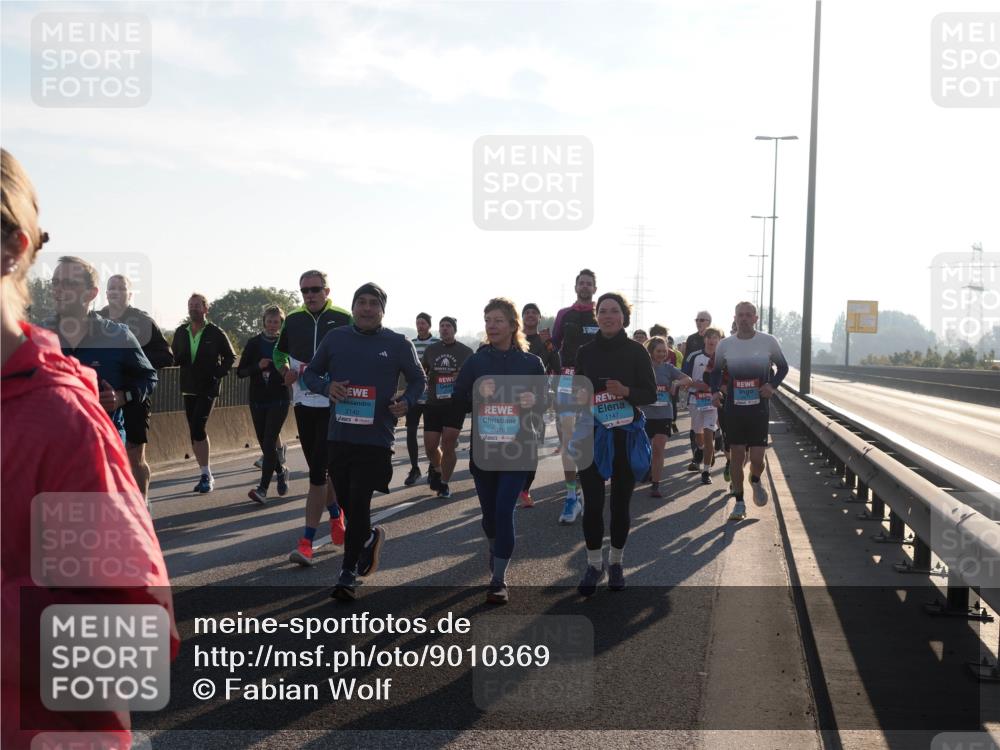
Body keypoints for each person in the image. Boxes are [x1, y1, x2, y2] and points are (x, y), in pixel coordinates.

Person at [1, 147, 178, 749]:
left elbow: (132, 644)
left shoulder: (63, 418)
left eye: (80, 283)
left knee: (136, 470)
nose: (70, 290)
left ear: (13, 248)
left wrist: (123, 396)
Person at [302, 283, 425, 600]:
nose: (367, 308)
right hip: (340, 436)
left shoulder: (397, 343)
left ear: (383, 310)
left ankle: (346, 573)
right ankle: (368, 537)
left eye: (374, 303)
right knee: (346, 502)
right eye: (362, 303)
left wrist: (407, 401)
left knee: (359, 501)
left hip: (376, 438)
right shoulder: (336, 338)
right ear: (353, 307)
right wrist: (327, 388)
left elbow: (418, 379)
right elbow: (311, 374)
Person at [454, 298, 546, 604]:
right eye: (487, 320)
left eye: (498, 320)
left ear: (513, 325)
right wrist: (477, 396)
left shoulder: (531, 363)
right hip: (485, 450)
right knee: (489, 516)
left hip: (519, 449)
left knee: (505, 510)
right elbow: (458, 397)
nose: (492, 326)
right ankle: (495, 547)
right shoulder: (477, 362)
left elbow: (545, 403)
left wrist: (535, 403)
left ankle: (498, 579)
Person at [573, 292, 656, 596]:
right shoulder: (585, 352)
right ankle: (594, 564)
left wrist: (625, 391)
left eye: (614, 311)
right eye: (603, 311)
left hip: (625, 436)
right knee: (593, 505)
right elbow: (575, 392)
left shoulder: (637, 352)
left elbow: (650, 393)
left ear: (624, 316)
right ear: (596, 316)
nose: (608, 316)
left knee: (620, 504)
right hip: (592, 434)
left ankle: (617, 562)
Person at [272, 270, 352, 564]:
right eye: (304, 290)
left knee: (318, 474)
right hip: (304, 403)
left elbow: (359, 351)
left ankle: (306, 541)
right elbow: (278, 353)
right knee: (319, 469)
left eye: (316, 289)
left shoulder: (345, 318)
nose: (310, 295)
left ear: (327, 291)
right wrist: (284, 372)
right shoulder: (293, 319)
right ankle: (335, 513)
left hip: (333, 405)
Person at [45, 257, 158, 447]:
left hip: (104, 448)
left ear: (91, 293)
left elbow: (149, 377)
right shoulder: (37, 336)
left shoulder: (119, 336)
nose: (58, 289)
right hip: (53, 450)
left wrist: (123, 397)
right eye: (55, 282)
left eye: (69, 283)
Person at [711, 302, 789, 521]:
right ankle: (739, 502)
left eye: (748, 315)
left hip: (759, 408)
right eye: (740, 315)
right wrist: (715, 391)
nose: (743, 319)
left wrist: (771, 385)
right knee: (736, 455)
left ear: (756, 318)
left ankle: (755, 480)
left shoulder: (768, 341)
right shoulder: (725, 345)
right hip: (734, 408)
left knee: (756, 459)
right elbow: (716, 372)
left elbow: (783, 368)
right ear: (734, 318)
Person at [99, 273, 173, 501]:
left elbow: (167, 355)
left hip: (135, 394)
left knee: (134, 455)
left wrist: (134, 358)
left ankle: (141, 505)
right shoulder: (97, 319)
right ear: (106, 292)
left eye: (121, 289)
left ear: (129, 294)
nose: (115, 292)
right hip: (104, 395)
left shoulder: (142, 321)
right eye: (111, 288)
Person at [172, 293, 236, 493]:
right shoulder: (181, 332)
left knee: (198, 426)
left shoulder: (215, 332)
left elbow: (230, 356)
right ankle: (204, 472)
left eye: (197, 305)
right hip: (188, 386)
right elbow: (174, 356)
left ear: (205, 309)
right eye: (190, 305)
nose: (193, 309)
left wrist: (217, 374)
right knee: (194, 430)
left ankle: (207, 474)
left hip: (208, 387)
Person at [551, 268, 600, 524]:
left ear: (595, 288)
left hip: (595, 385)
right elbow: (553, 347)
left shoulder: (601, 313)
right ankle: (571, 497)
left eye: (589, 283)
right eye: (581, 283)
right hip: (568, 382)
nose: (584, 286)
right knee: (568, 439)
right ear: (575, 287)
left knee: (593, 440)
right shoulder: (564, 315)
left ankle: (590, 487)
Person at [237, 305, 291, 504]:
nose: (272, 326)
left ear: (281, 324)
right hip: (258, 400)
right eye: (269, 321)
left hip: (280, 399)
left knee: (269, 442)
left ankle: (262, 489)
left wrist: (287, 374)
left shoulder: (286, 343)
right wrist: (256, 367)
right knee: (265, 444)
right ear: (263, 322)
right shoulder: (253, 344)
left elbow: (294, 367)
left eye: (276, 322)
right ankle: (281, 470)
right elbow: (240, 372)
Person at [422, 316, 473, 499]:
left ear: (454, 329)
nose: (445, 329)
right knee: (430, 446)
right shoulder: (431, 350)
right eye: (442, 326)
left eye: (448, 326)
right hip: (433, 403)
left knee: (448, 444)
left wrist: (461, 376)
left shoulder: (466, 352)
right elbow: (422, 372)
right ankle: (436, 469)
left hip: (455, 404)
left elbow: (473, 377)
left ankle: (444, 483)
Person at [520, 302, 561, 508]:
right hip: (512, 397)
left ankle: (525, 488)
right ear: (521, 317)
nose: (530, 315)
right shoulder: (514, 339)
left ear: (539, 317)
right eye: (526, 312)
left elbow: (558, 367)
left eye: (534, 312)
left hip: (538, 399)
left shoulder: (545, 341)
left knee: (533, 445)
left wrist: (549, 344)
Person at [640, 336, 692, 497]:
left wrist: (676, 383)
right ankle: (646, 469)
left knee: (659, 448)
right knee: (645, 449)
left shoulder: (669, 368)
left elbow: (687, 379)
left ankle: (655, 484)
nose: (662, 354)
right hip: (645, 413)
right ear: (651, 351)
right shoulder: (643, 367)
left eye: (664, 351)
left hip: (664, 413)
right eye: (659, 351)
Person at [683, 327, 724, 484]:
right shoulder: (694, 356)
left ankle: (706, 471)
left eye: (715, 337)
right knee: (698, 435)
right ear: (704, 339)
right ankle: (700, 451)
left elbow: (725, 379)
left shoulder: (722, 357)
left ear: (719, 340)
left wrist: (712, 388)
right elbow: (684, 376)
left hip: (712, 400)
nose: (712, 340)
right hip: (695, 399)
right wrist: (695, 384)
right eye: (709, 337)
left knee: (709, 435)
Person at [404, 312, 438, 486]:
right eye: (418, 323)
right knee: (410, 431)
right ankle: (414, 468)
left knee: (431, 436)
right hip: (414, 396)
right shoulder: (411, 343)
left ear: (429, 325)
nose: (420, 326)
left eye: (423, 323)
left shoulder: (436, 344)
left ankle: (434, 467)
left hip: (432, 398)